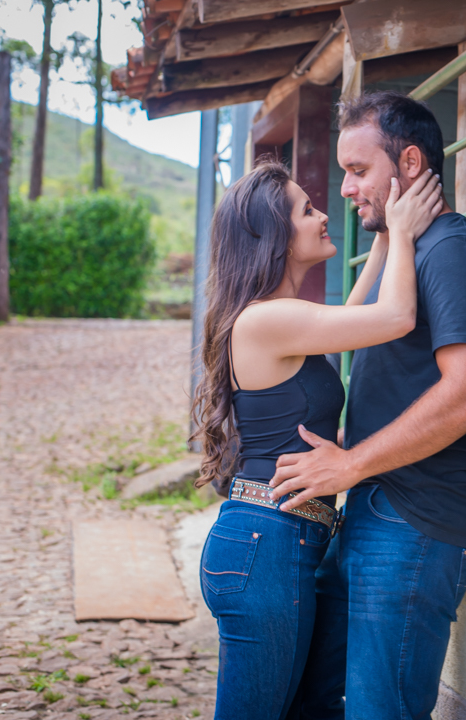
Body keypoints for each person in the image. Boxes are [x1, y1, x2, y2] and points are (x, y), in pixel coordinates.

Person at [270, 91, 466, 720]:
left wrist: (349, 465)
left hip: (419, 520)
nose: (345, 190)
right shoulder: (403, 251)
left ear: (409, 163)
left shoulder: (455, 251)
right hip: (374, 510)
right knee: (305, 698)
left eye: (358, 171)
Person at [190, 157, 443, 720]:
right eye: (308, 209)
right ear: (274, 233)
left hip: (282, 543)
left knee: (311, 709)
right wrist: (401, 231)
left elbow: (352, 324)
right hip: (266, 547)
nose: (324, 214)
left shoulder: (281, 319)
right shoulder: (263, 320)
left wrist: (381, 237)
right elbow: (396, 316)